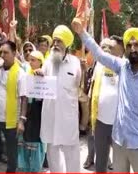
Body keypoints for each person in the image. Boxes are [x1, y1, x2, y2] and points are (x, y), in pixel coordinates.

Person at [72, 20, 138, 172]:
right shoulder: (122, 67)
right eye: (129, 45)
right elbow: (99, 54)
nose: (133, 49)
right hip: (119, 143)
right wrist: (81, 33)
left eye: (137, 45)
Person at [36, 25, 82, 172]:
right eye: (54, 41)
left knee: (72, 153)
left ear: (67, 44)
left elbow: (80, 87)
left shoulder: (75, 62)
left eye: (59, 41)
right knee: (52, 152)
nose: (55, 44)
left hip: (68, 117)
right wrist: (39, 74)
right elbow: (42, 75)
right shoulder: (48, 60)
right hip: (50, 115)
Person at [0, 41, 27, 172]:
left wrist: (22, 120)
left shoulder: (20, 73)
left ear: (14, 53)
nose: (2, 55)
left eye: (6, 52)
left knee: (12, 155)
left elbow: (24, 98)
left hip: (11, 121)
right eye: (0, 52)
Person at [90, 38, 119, 172]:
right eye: (104, 47)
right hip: (100, 121)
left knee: (121, 161)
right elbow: (93, 92)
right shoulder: (99, 66)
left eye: (110, 47)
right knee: (101, 161)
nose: (107, 50)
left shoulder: (124, 66)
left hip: (119, 123)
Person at [17, 51, 45, 172]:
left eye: (34, 60)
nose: (31, 62)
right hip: (25, 113)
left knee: (36, 144)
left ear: (40, 62)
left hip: (38, 116)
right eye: (30, 60)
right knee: (22, 142)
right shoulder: (25, 76)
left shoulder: (45, 77)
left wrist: (41, 79)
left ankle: (35, 168)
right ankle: (24, 168)